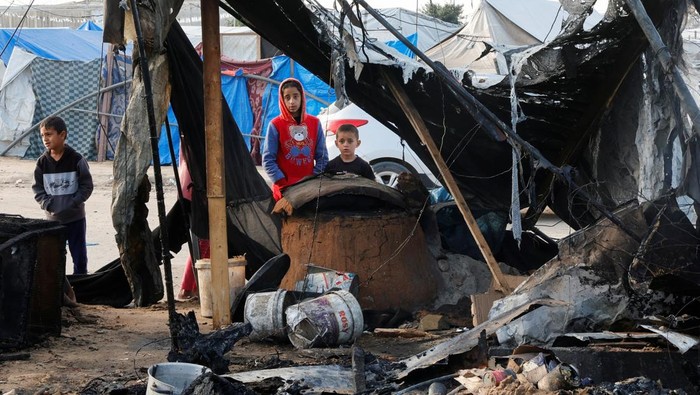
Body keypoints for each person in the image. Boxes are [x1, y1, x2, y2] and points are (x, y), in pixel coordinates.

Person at [32, 116, 94, 275]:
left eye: (49, 134)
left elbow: (86, 185)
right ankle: (59, 291)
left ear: (63, 135)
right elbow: (38, 189)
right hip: (53, 221)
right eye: (43, 135)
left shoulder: (77, 159)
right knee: (54, 258)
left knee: (79, 257)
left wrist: (74, 202)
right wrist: (47, 204)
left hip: (75, 219)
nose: (45, 139)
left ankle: (80, 288)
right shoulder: (41, 163)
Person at [263, 77, 328, 200]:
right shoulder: (275, 124)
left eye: (295, 96)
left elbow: (322, 157)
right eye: (287, 97)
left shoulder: (314, 123)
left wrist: (313, 179)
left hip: (309, 189)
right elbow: (268, 160)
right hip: (284, 190)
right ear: (282, 99)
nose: (292, 101)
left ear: (302, 97)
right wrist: (281, 181)